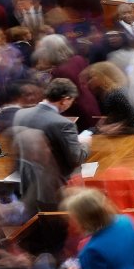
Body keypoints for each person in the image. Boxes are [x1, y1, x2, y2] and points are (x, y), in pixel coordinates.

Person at [11, 78, 88, 212]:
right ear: (65, 100)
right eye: (71, 101)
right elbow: (76, 158)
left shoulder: (20, 114)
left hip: (26, 182)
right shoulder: (63, 124)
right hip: (55, 187)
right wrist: (85, 144)